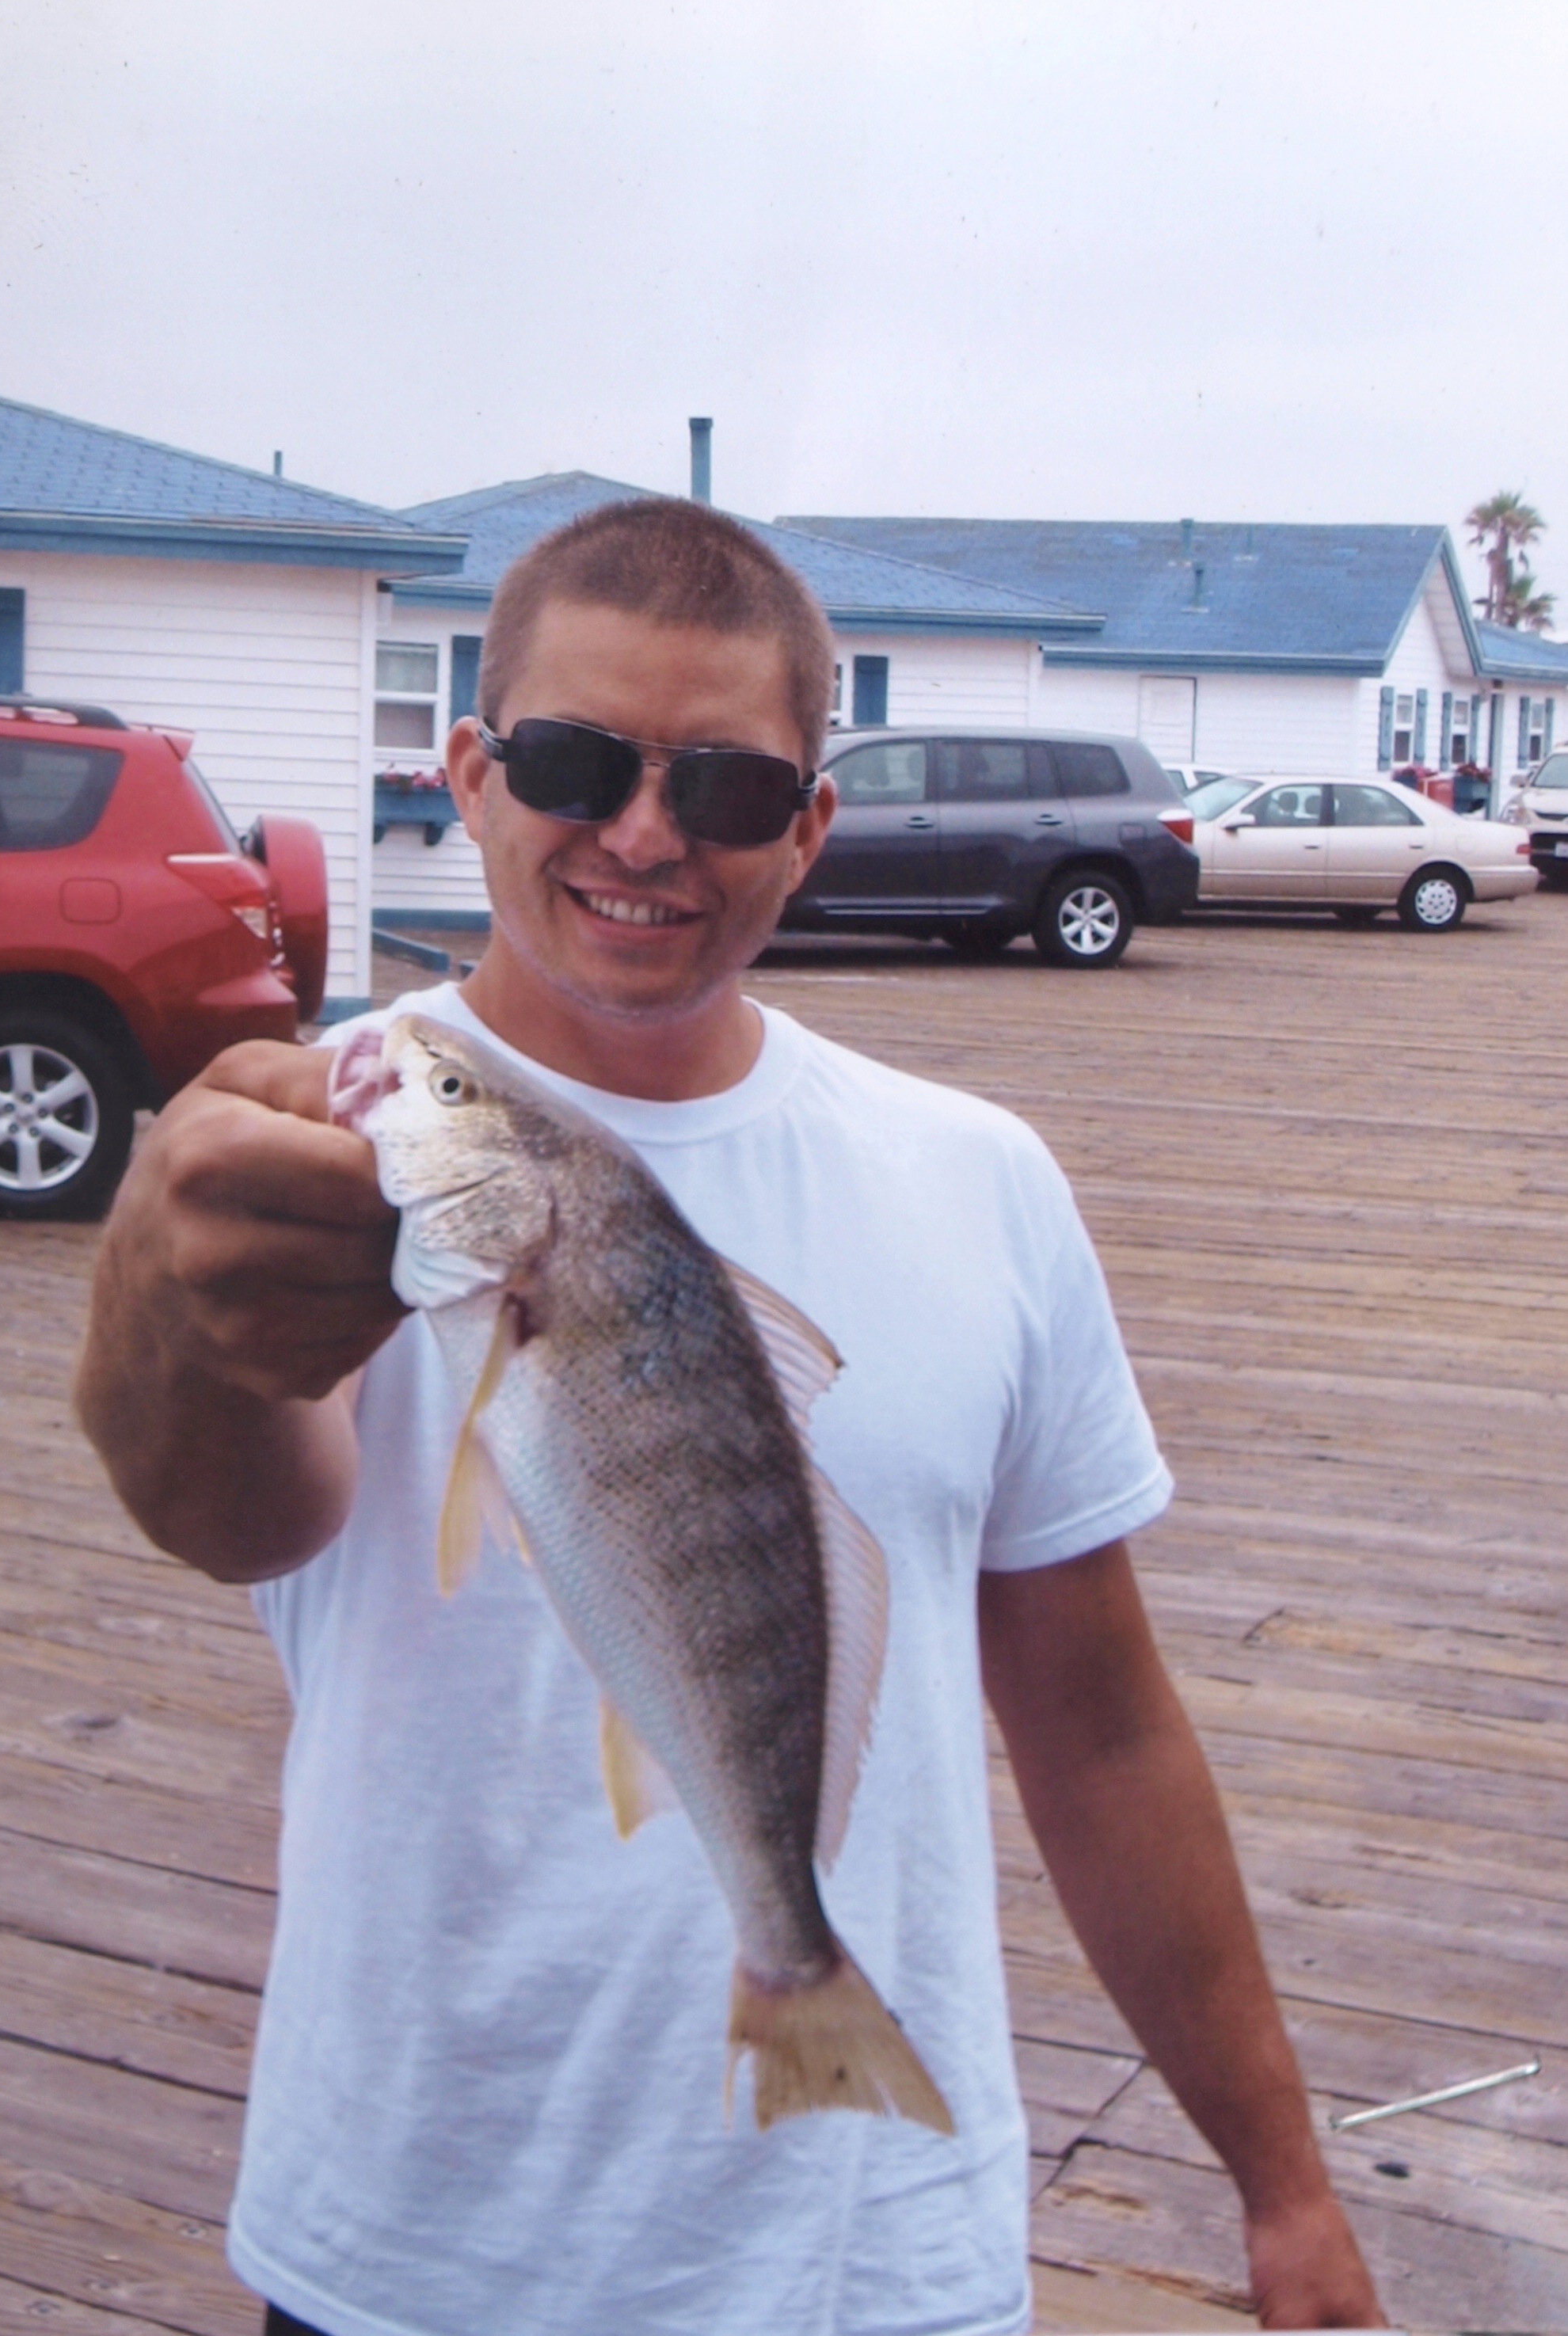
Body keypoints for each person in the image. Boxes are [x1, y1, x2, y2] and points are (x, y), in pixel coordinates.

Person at [77, 499, 1382, 2336]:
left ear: (812, 828)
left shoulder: (981, 1182)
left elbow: (1102, 1733)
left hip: (877, 2264)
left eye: (727, 792)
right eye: (573, 760)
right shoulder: (328, 1152)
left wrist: (1288, 2186)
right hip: (414, 2249)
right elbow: (228, 1514)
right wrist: (155, 1294)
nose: (640, 835)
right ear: (469, 770)